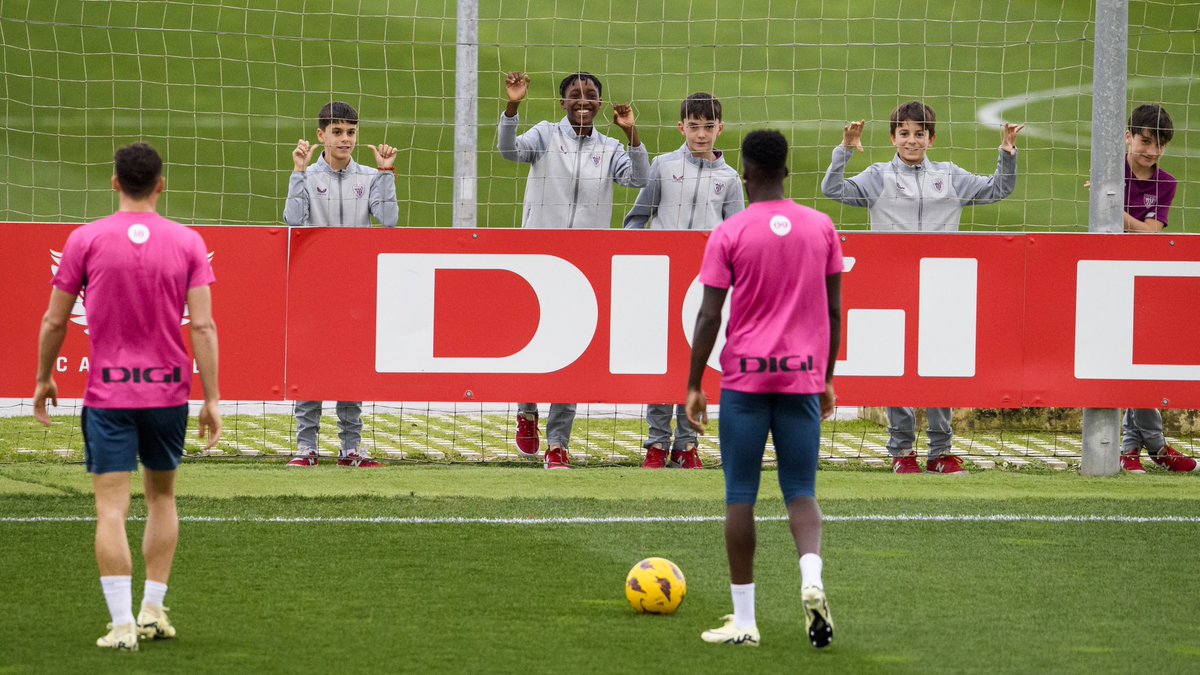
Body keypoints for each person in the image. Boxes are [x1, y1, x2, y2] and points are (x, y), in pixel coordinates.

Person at [33, 143, 222, 651]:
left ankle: (121, 625)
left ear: (115, 183)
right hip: (167, 394)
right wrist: (213, 397)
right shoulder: (186, 242)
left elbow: (54, 319)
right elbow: (202, 324)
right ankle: (154, 609)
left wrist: (43, 378)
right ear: (162, 184)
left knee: (111, 510)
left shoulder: (86, 239)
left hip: (109, 396)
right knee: (162, 497)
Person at [687, 130, 842, 649]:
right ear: (787, 172)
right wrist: (825, 378)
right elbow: (835, 309)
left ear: (746, 174)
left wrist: (693, 384)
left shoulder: (730, 231)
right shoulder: (821, 227)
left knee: (740, 496)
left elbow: (710, 314)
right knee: (800, 490)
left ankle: (746, 621)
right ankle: (811, 577)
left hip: (746, 379)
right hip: (801, 375)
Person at [821, 101, 1024, 475]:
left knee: (939, 365)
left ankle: (940, 451)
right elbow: (832, 189)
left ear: (932, 139)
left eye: (919, 134)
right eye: (904, 134)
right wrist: (845, 150)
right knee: (897, 368)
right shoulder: (877, 175)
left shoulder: (949, 176)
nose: (911, 141)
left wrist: (1007, 153)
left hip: (941, 287)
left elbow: (998, 190)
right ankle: (901, 451)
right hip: (892, 288)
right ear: (893, 137)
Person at [499, 71, 649, 469]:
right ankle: (527, 410)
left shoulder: (611, 146)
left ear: (600, 104)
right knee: (532, 346)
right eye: (575, 95)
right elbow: (509, 152)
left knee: (573, 354)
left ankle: (558, 444)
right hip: (538, 257)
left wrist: (632, 134)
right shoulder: (546, 134)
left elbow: (639, 178)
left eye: (591, 95)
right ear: (562, 102)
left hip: (585, 262)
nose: (584, 100)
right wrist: (513, 106)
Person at [624, 92, 744, 470]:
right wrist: (643, 261)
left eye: (709, 127)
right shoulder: (661, 165)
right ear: (682, 127)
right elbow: (636, 219)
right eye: (694, 126)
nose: (702, 134)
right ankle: (657, 443)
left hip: (704, 287)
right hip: (663, 282)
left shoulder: (729, 179)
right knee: (664, 361)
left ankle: (688, 443)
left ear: (720, 129)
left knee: (697, 360)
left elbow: (737, 234)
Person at [283, 100, 398, 468]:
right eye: (337, 132)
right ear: (321, 135)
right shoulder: (309, 176)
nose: (345, 139)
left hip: (355, 285)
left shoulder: (367, 176)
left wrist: (386, 174)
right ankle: (307, 447)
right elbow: (292, 220)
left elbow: (389, 220)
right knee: (311, 363)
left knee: (351, 364)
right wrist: (298, 173)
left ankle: (351, 448)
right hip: (314, 284)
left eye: (350, 132)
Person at [1116, 104, 1196, 474]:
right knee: (1120, 358)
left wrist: (1113, 210)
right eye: (1145, 141)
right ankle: (1154, 447)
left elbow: (1150, 233)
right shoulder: (1109, 168)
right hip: (1105, 275)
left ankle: (1132, 449)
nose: (1151, 150)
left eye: (1159, 144)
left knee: (1138, 360)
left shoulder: (1166, 182)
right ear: (1128, 137)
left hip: (1143, 280)